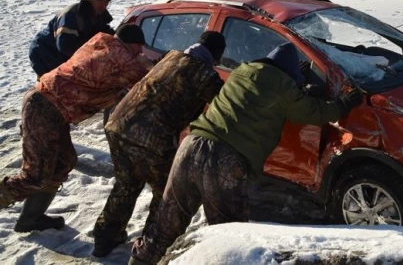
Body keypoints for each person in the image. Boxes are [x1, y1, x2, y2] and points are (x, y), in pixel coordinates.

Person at [128, 43, 363, 265]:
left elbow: (261, 90)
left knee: (165, 224)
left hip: (191, 145)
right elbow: (314, 112)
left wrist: (293, 81)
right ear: (289, 73)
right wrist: (343, 104)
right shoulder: (285, 87)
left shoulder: (242, 71)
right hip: (225, 160)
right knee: (228, 237)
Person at [0, 25, 152, 233]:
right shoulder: (121, 57)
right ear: (132, 43)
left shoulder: (101, 42)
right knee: (36, 175)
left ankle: (31, 218)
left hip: (48, 105)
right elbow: (149, 80)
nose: (141, 52)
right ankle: (23, 213)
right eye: (139, 48)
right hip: (45, 108)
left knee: (63, 162)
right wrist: (148, 64)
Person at [91, 32, 226, 257]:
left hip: (119, 124)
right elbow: (224, 102)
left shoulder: (170, 57)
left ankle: (104, 238)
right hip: (152, 137)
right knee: (164, 191)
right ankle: (148, 248)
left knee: (127, 183)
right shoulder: (205, 75)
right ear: (218, 54)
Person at [29, 0, 115, 78]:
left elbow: (105, 35)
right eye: (100, 1)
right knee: (54, 85)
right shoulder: (72, 15)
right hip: (45, 52)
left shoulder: (99, 18)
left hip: (62, 56)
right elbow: (65, 46)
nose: (103, 5)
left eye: (106, 2)